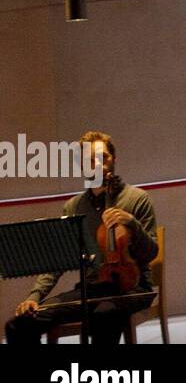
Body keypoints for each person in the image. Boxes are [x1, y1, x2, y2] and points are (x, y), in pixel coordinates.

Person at [5, 131, 158, 344]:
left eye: (103, 157)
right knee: (18, 324)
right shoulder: (74, 207)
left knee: (103, 316)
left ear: (114, 159)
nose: (98, 164)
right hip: (91, 289)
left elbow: (151, 252)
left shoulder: (137, 199)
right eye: (90, 160)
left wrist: (132, 224)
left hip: (132, 289)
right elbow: (57, 260)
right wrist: (35, 296)